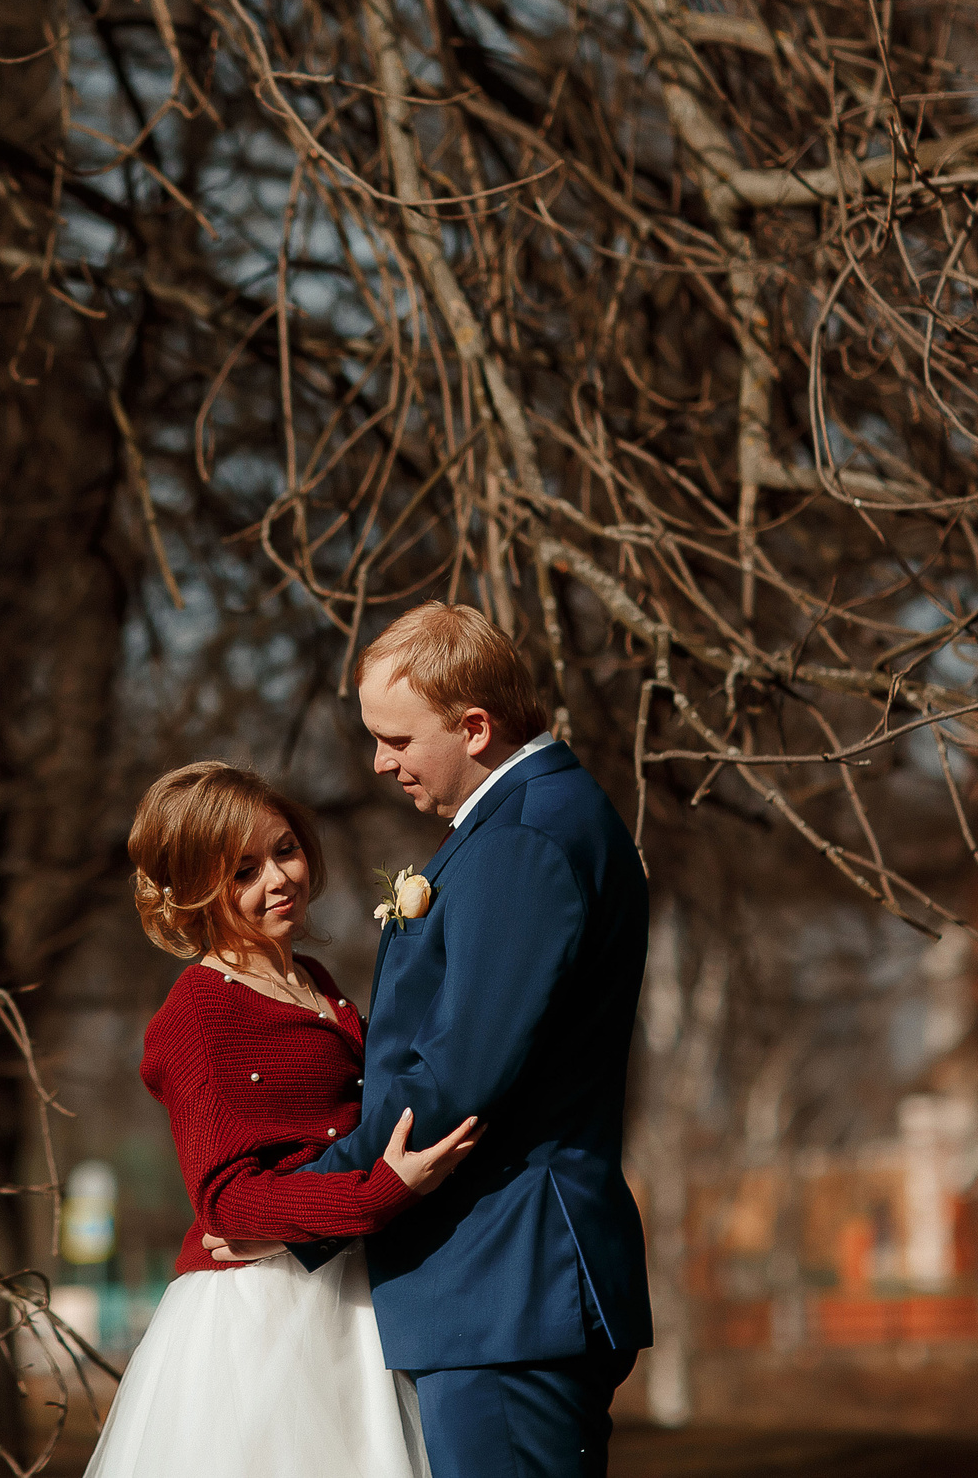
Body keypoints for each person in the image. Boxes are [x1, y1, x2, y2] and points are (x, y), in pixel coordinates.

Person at [207, 603, 652, 1478]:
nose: (380, 761)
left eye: (398, 738)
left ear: (474, 726)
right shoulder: (531, 817)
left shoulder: (524, 837)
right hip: (505, 1285)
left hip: (506, 1279)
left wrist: (303, 1208)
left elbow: (455, 1075)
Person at [83, 760, 481, 1478]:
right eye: (241, 870)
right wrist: (380, 1191)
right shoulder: (198, 1010)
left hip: (351, 1291)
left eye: (285, 849)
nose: (278, 878)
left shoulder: (315, 981)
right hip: (261, 1319)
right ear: (192, 890)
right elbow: (225, 1202)